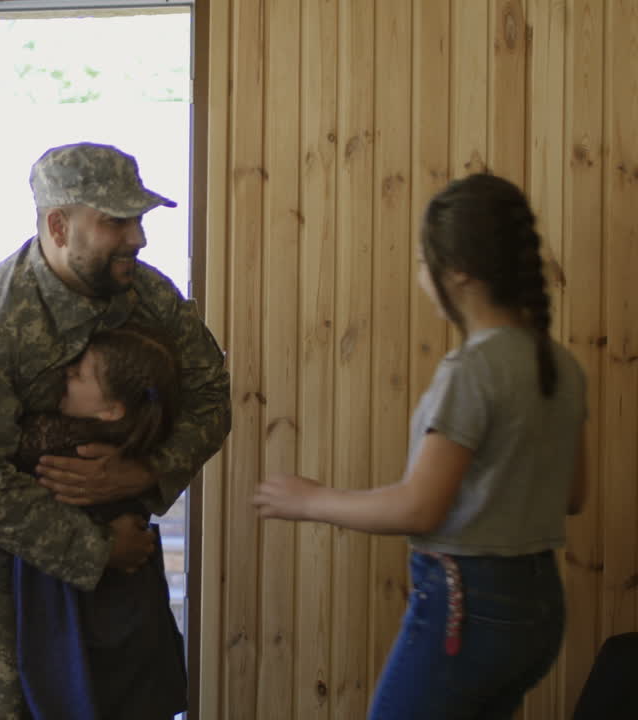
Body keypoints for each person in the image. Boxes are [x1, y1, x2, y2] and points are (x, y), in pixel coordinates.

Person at [0, 142, 232, 717]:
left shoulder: (144, 291)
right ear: (59, 226)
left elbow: (211, 394)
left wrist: (143, 472)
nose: (138, 237)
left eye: (139, 219)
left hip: (104, 534)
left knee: (113, 698)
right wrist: (98, 549)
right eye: (117, 221)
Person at [252, 172, 588, 720]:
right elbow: (571, 496)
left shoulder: (471, 371)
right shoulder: (563, 366)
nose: (418, 274)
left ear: (457, 272)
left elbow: (419, 507)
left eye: (418, 259)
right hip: (541, 608)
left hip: (469, 607)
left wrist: (309, 500)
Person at [0, 324, 189, 720]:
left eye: (80, 373)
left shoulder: (58, 441)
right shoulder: (129, 435)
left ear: (110, 408)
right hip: (128, 611)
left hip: (85, 615)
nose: (66, 372)